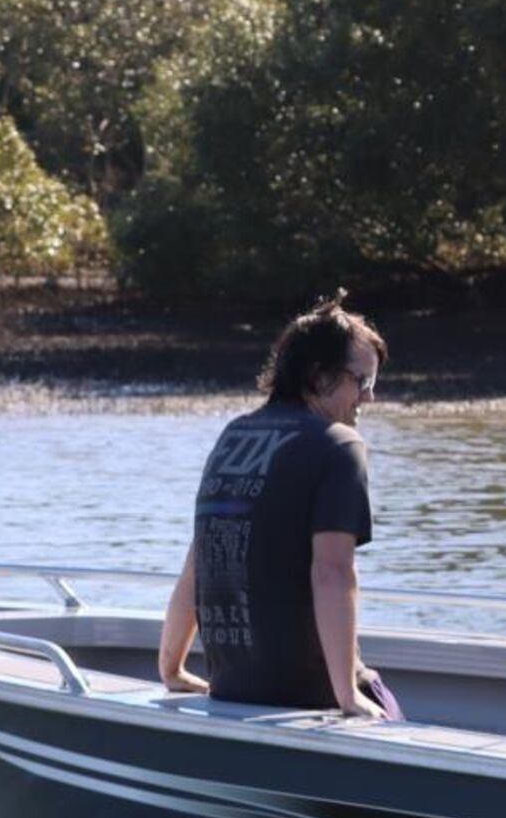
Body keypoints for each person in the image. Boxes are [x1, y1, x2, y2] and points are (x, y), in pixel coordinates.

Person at [159, 300, 401, 720]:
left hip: (234, 692)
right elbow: (333, 572)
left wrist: (172, 667)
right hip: (310, 696)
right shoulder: (339, 445)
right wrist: (348, 696)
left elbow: (201, 557)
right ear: (318, 375)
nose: (370, 396)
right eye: (361, 380)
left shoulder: (234, 436)